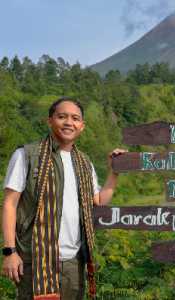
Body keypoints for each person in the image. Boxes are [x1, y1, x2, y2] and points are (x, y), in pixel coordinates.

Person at [1, 97, 127, 300]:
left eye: (75, 118)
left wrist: (114, 172)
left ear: (82, 126)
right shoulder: (27, 155)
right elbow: (9, 204)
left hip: (74, 262)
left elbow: (98, 201)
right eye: (62, 117)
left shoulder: (84, 162)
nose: (69, 122)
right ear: (50, 120)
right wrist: (9, 251)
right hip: (34, 260)